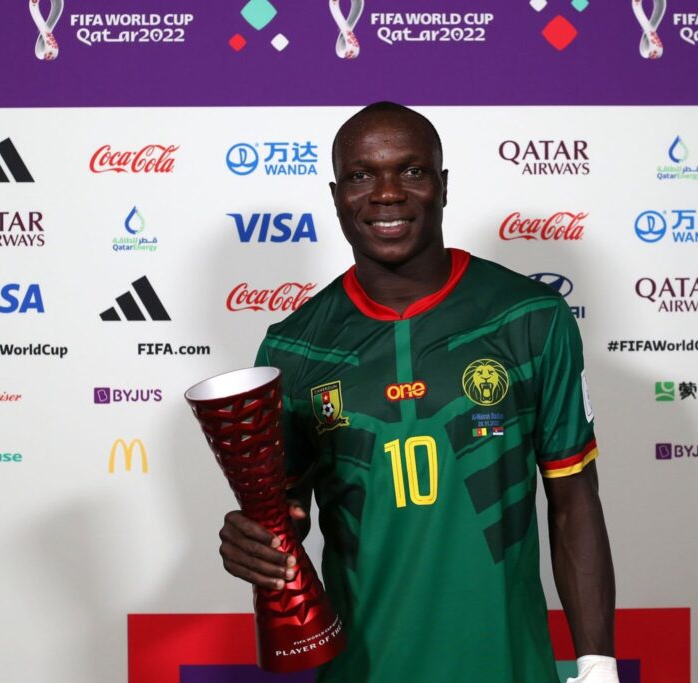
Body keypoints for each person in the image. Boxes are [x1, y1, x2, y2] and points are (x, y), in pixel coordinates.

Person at [218, 102, 618, 683]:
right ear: (336, 195)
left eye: (411, 170)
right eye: (361, 175)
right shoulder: (294, 347)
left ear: (443, 185)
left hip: (509, 666)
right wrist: (255, 539)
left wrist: (598, 664)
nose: (387, 193)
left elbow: (574, 498)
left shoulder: (529, 317)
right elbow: (288, 513)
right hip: (362, 670)